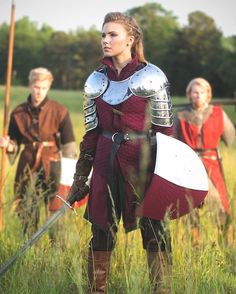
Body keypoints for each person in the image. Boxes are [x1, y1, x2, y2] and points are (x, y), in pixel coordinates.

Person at [69, 12, 174, 293]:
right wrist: (81, 176)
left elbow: (166, 133)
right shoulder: (94, 81)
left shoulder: (151, 77)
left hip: (143, 165)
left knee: (155, 232)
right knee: (101, 232)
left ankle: (161, 290)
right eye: (103, 35)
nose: (105, 40)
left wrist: (169, 179)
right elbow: (90, 134)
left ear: (131, 39)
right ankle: (96, 289)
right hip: (105, 162)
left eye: (112, 34)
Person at [0, 67, 77, 240]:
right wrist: (8, 145)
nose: (39, 92)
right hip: (27, 164)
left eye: (43, 88)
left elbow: (69, 146)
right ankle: (28, 249)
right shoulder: (18, 113)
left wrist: (67, 178)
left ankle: (57, 252)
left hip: (54, 165)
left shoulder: (59, 110)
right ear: (30, 85)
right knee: (27, 209)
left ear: (49, 87)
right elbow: (14, 143)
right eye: (36, 87)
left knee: (56, 213)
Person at [173, 77, 235, 244]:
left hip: (211, 165)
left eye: (201, 92)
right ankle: (194, 246)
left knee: (221, 207)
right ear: (189, 94)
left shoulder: (218, 113)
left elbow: (230, 138)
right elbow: (172, 143)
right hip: (188, 166)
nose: (198, 95)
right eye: (194, 92)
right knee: (189, 208)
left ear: (208, 94)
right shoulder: (180, 116)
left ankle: (227, 244)